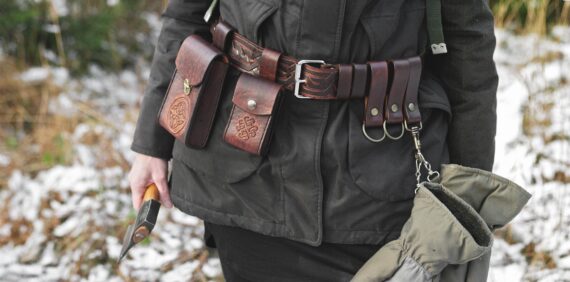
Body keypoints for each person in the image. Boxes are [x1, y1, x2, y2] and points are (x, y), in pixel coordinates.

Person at [128, 0, 498, 281]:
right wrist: (151, 143)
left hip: (385, 174)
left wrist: (467, 191)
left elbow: (468, 48)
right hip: (245, 168)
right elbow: (185, 16)